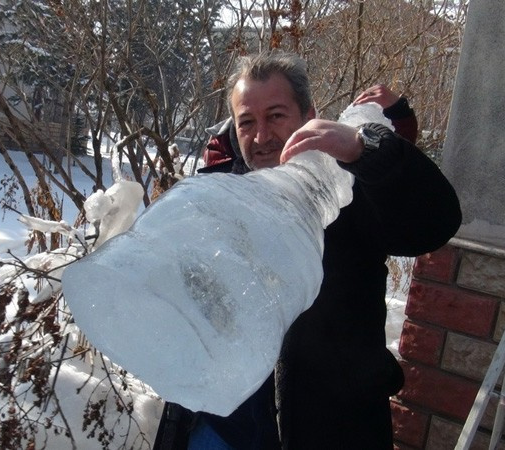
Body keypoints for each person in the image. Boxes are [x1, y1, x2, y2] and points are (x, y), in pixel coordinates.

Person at [154, 52, 461, 449]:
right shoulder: (220, 196)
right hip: (219, 427)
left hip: (323, 428)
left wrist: (366, 151)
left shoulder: (349, 192)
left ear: (309, 115)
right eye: (247, 121)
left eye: (276, 115)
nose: (261, 136)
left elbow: (432, 223)